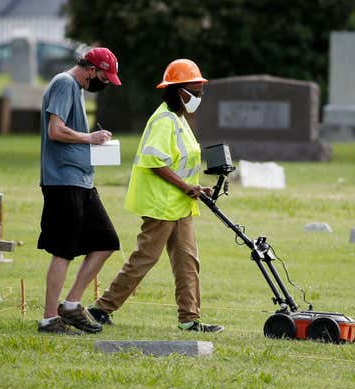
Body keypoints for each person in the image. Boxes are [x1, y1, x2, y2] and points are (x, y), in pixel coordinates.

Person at [87, 59, 224, 333]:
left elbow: (180, 162)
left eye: (201, 91)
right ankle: (101, 309)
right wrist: (186, 187)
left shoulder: (180, 119)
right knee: (145, 258)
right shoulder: (164, 120)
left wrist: (198, 187)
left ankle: (189, 320)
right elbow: (155, 161)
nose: (198, 96)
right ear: (178, 90)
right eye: (194, 91)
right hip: (161, 204)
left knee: (187, 261)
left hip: (180, 204)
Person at [37, 47, 122, 335]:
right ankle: (49, 319)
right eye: (104, 77)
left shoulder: (77, 89)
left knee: (106, 240)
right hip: (62, 180)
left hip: (82, 180)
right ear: (91, 69)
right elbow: (55, 130)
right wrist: (90, 138)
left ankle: (71, 304)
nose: (105, 83)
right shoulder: (64, 83)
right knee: (64, 249)